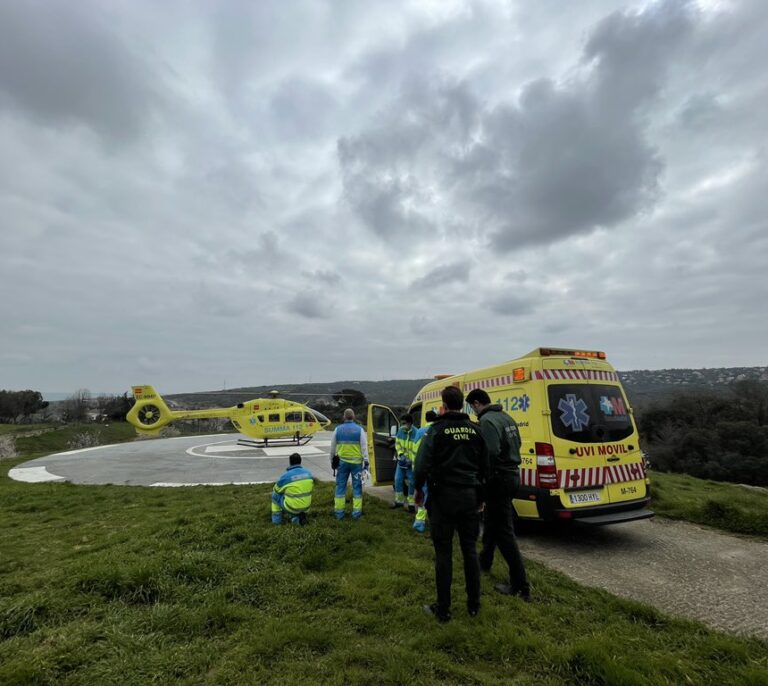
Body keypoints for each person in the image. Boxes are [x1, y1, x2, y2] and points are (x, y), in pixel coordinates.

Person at [414, 386, 489, 622]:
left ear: (444, 405)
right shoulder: (476, 430)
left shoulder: (436, 430)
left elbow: (421, 464)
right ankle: (474, 605)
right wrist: (481, 497)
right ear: (463, 404)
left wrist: (418, 489)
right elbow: (485, 468)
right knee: (470, 551)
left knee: (444, 553)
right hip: (469, 498)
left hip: (442, 498)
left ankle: (443, 609)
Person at [466, 388, 531, 601]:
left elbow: (490, 453)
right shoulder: (506, 417)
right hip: (512, 475)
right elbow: (517, 443)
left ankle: (520, 585)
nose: (474, 412)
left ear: (477, 403)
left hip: (498, 479)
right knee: (492, 521)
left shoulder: (487, 421)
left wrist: (479, 477)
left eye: (472, 407)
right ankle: (484, 562)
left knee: (504, 532)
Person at [330, 408, 369, 520]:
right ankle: (356, 514)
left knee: (340, 487)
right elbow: (364, 447)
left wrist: (332, 461)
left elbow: (332, 448)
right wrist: (366, 462)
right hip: (356, 464)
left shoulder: (337, 429)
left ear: (344, 416)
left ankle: (339, 513)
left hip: (342, 464)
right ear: (354, 417)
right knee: (357, 487)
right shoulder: (360, 430)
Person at [412, 410, 438, 533]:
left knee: (422, 494)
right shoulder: (438, 430)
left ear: (426, 419)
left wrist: (415, 467)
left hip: (423, 469)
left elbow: (415, 451)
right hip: (436, 470)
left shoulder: (420, 431)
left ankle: (419, 523)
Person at [271, 453, 314, 525]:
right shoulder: (309, 474)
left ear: (290, 462)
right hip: (306, 507)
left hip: (292, 508)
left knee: (275, 496)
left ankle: (276, 521)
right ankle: (297, 519)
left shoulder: (286, 476)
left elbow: (276, 490)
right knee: (293, 495)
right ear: (300, 461)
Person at [392, 413, 420, 512]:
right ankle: (399, 501)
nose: (402, 425)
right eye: (402, 423)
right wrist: (401, 454)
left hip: (411, 464)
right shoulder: (400, 431)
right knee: (397, 480)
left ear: (410, 423)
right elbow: (397, 444)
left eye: (404, 423)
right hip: (402, 462)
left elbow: (417, 449)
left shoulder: (416, 433)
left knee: (412, 482)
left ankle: (411, 503)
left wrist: (411, 461)